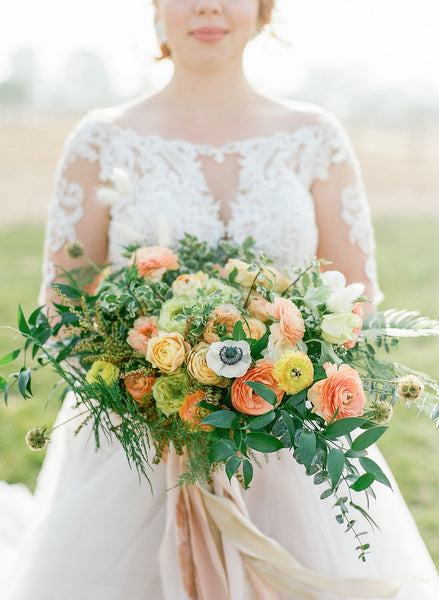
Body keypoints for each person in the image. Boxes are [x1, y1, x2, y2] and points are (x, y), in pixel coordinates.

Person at [1, 0, 439, 598]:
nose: (207, 5)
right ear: (156, 7)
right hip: (137, 443)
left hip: (293, 437)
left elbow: (355, 296)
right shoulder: (101, 140)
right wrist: (155, 392)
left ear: (262, 8)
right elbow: (63, 304)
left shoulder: (314, 137)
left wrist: (283, 388)